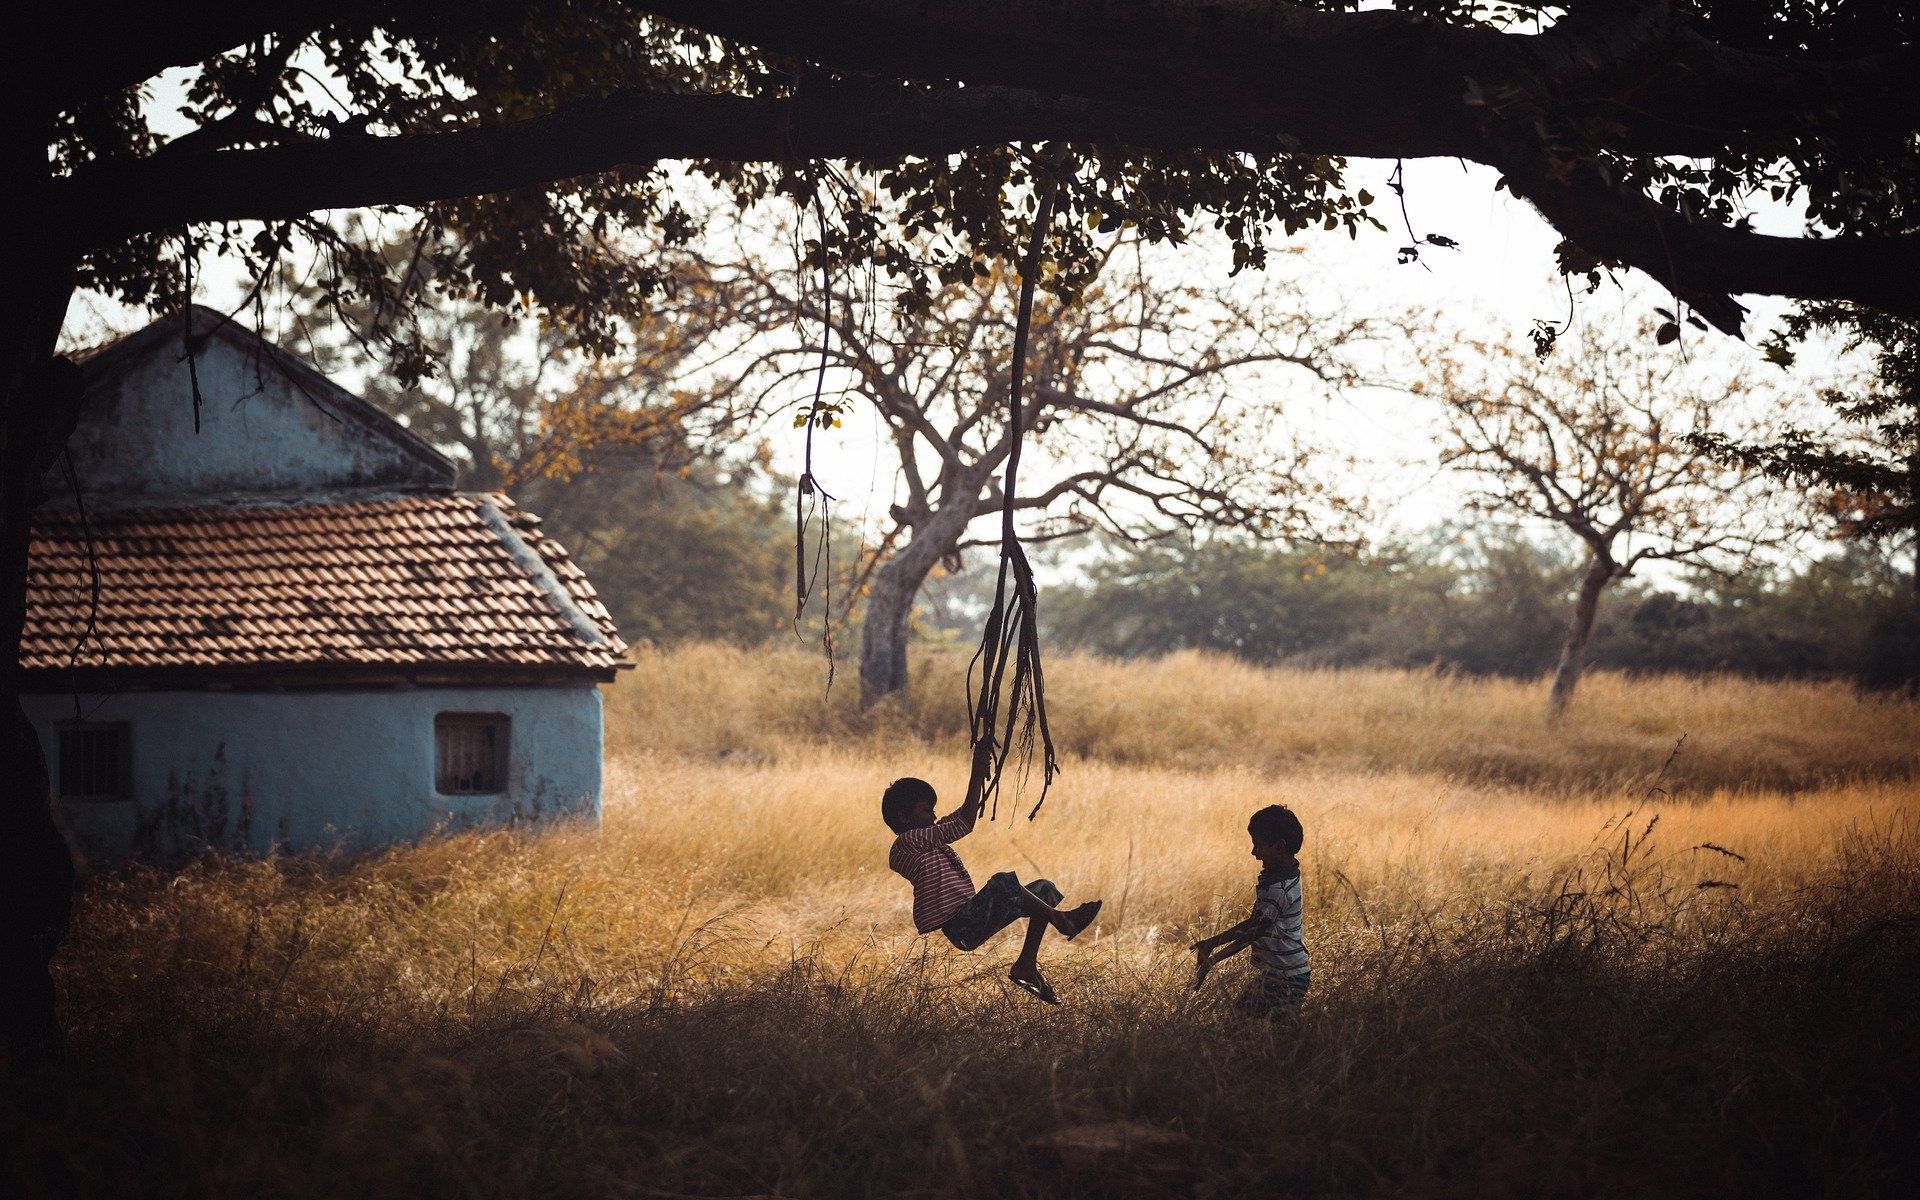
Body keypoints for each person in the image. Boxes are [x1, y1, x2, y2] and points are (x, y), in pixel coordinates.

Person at [883, 775, 1101, 1004]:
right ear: (904, 817)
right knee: (1002, 882)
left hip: (971, 914)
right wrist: (977, 772)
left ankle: (1026, 965)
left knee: (1044, 890)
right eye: (927, 811)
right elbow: (964, 823)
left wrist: (981, 774)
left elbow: (960, 817)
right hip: (962, 924)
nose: (934, 816)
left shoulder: (925, 838)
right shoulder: (907, 842)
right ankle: (1062, 920)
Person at [1190, 803, 1310, 1018]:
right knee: (1241, 1024)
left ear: (1279, 847)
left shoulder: (1279, 890)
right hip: (1279, 974)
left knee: (1252, 1028)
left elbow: (1253, 932)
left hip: (1286, 978)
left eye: (1258, 845)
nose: (1254, 852)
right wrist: (1210, 944)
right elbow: (1255, 923)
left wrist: (1214, 958)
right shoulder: (1285, 873)